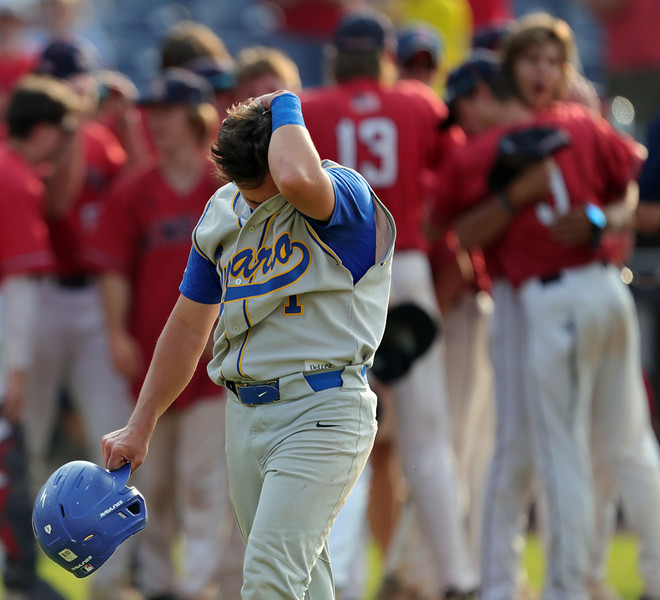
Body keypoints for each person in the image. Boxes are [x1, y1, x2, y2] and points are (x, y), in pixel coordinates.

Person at [101, 88, 396, 600]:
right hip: (245, 415)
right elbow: (191, 325)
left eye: (262, 188)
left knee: (267, 578)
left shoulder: (340, 194)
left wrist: (284, 102)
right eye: (243, 188)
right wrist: (140, 423)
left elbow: (299, 178)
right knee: (304, 580)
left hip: (323, 406)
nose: (252, 199)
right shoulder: (223, 211)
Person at [446, 17, 660, 599]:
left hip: (567, 294)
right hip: (570, 293)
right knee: (613, 446)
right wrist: (523, 197)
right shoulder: (562, 129)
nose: (541, 72)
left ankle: (573, 586)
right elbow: (453, 227)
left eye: (550, 61)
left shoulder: (555, 129)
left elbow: (632, 189)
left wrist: (605, 218)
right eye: (529, 61)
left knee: (601, 447)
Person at [303, 9, 478, 599]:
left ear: (335, 56)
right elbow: (456, 175)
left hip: (342, 274)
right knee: (429, 436)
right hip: (408, 265)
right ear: (384, 55)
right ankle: (456, 574)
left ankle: (346, 582)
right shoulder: (416, 103)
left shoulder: (312, 109)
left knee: (343, 430)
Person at [87, 67, 240, 600]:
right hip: (152, 362)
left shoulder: (224, 189)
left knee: (204, 484)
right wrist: (115, 333)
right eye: (151, 114)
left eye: (166, 113)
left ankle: (196, 585)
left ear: (196, 117)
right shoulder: (137, 190)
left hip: (215, 365)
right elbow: (112, 269)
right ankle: (157, 586)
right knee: (149, 486)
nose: (155, 124)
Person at [26, 39, 140, 600]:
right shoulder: (36, 136)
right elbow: (54, 204)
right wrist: (73, 128)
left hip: (95, 297)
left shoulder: (101, 138)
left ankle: (113, 578)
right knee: (25, 433)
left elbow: (138, 193)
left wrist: (129, 122)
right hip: (41, 294)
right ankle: (18, 566)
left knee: (115, 430)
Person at [0, 74, 78, 600]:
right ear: (45, 131)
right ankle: (21, 575)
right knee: (9, 463)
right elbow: (20, 287)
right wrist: (17, 372)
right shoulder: (15, 178)